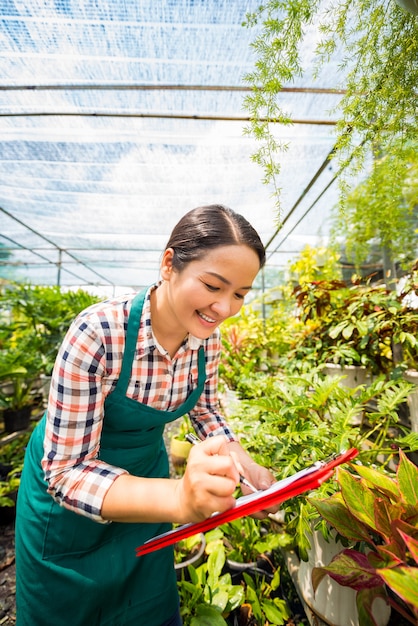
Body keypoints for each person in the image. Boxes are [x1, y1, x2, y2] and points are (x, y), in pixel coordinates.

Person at [15, 204, 276, 626]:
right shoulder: (98, 334)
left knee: (146, 609)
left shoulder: (205, 343)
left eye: (241, 294)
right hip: (67, 508)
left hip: (144, 486)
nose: (225, 308)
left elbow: (207, 411)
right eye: (213, 285)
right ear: (169, 264)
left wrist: (246, 472)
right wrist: (176, 498)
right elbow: (66, 472)